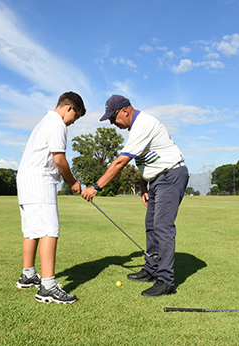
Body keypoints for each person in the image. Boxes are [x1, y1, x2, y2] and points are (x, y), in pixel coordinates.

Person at [81, 95, 189, 297]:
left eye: (113, 118)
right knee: (151, 225)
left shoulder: (143, 124)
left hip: (171, 175)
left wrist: (96, 187)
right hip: (157, 179)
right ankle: (152, 269)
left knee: (163, 228)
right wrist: (143, 187)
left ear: (124, 110)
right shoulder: (136, 130)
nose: (113, 123)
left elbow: (120, 163)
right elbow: (143, 163)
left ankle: (166, 281)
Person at [16, 91, 86, 304]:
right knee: (49, 230)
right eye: (76, 116)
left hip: (26, 180)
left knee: (32, 230)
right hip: (40, 181)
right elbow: (59, 160)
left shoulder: (43, 122)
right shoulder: (57, 124)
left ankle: (28, 275)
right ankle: (47, 287)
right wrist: (74, 182)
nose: (74, 121)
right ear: (70, 108)